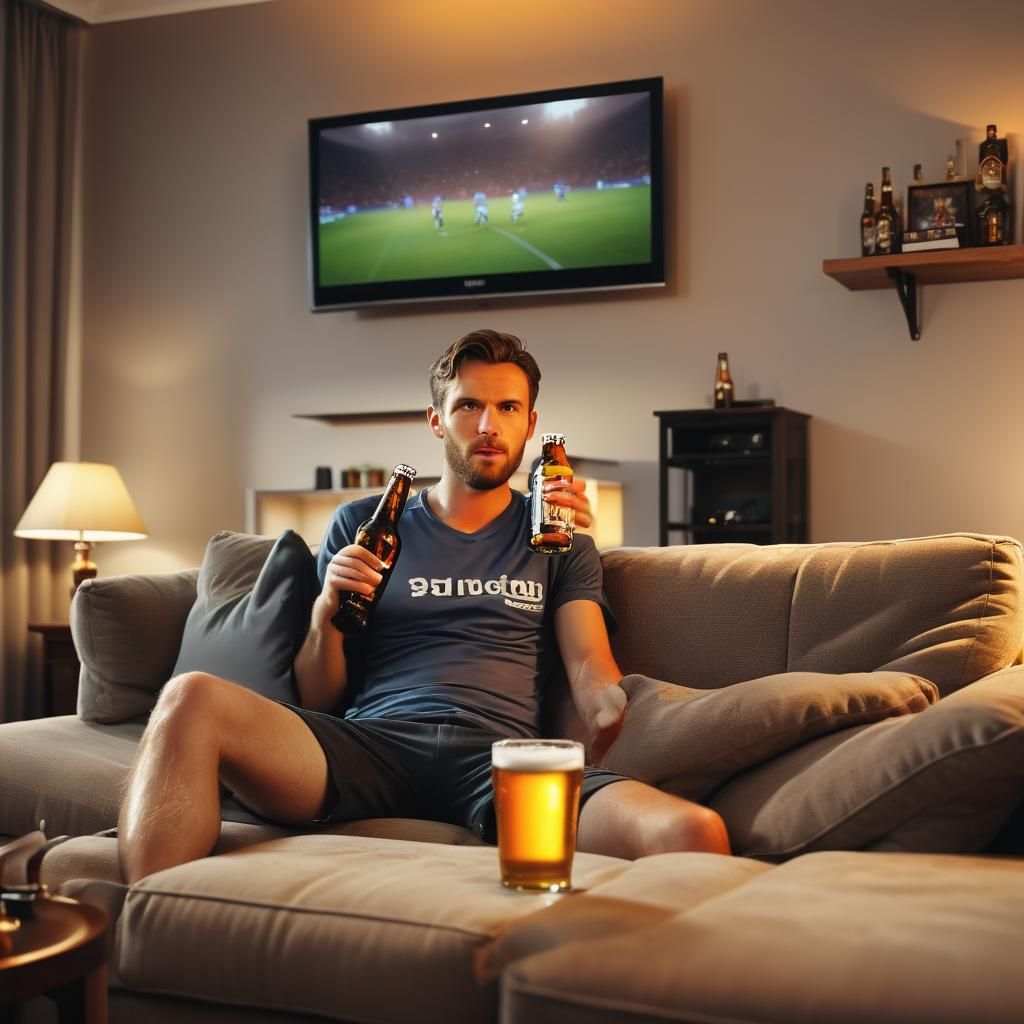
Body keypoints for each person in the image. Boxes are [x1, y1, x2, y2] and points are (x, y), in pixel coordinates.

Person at [118, 330, 729, 885]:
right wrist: (327, 610)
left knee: (692, 832)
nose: (488, 424)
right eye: (468, 405)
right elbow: (318, 695)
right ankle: (136, 930)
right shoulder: (362, 524)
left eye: (507, 408)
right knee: (188, 696)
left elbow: (591, 670)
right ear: (438, 420)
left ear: (530, 423)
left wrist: (624, 715)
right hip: (368, 744)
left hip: (497, 760)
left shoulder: (561, 543)